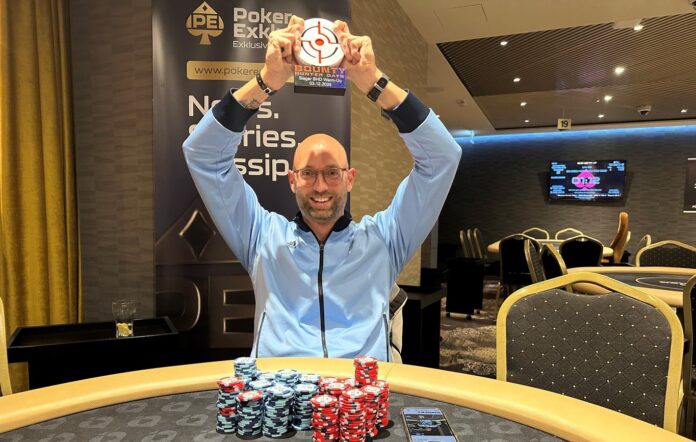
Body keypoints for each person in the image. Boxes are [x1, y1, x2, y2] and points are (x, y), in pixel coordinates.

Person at [183, 16, 461, 361]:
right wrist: (266, 81)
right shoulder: (262, 237)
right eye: (308, 173)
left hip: (360, 389)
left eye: (332, 173)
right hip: (281, 388)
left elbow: (442, 157)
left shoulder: (385, 240)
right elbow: (203, 154)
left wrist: (373, 81)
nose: (320, 186)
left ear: (350, 178)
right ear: (291, 179)